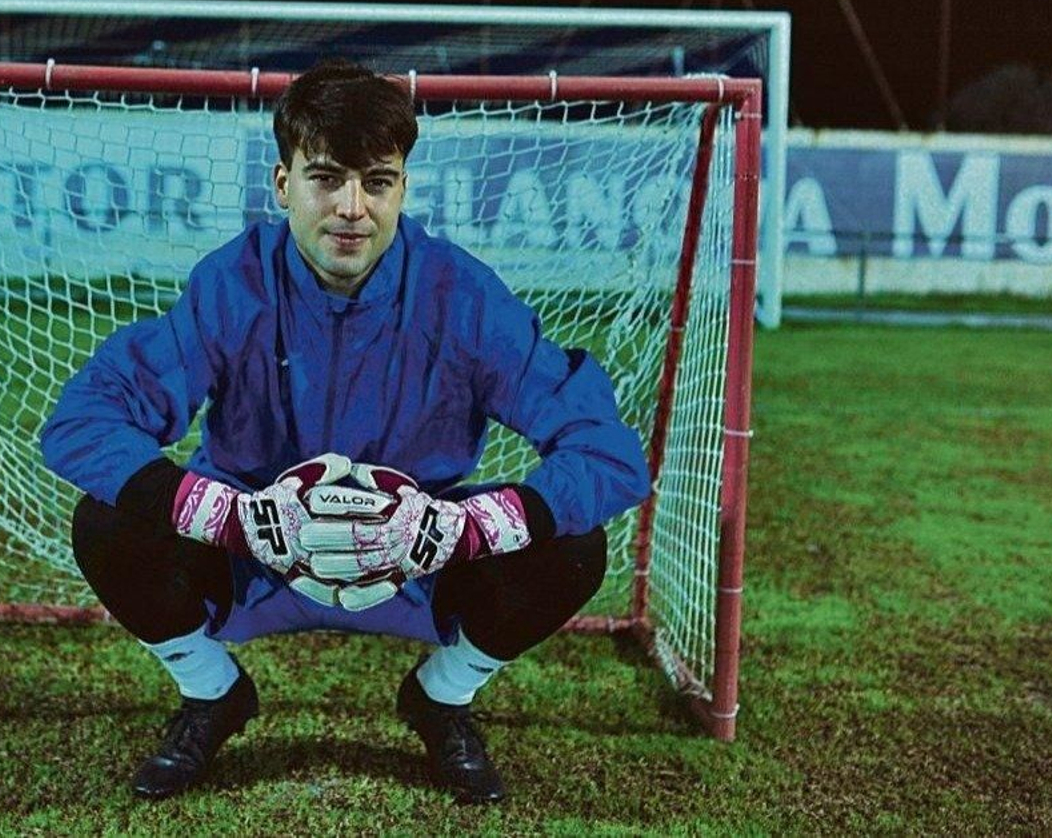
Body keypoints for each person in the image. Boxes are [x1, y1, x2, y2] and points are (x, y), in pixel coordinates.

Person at [40, 59, 650, 804]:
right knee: (107, 521)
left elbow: (609, 452)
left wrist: (464, 528)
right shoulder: (233, 284)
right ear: (282, 185)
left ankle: (442, 697)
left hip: (415, 565)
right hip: (254, 557)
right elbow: (83, 419)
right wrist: (228, 514)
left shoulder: (461, 295)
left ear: (403, 188)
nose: (351, 208)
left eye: (377, 181)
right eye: (326, 178)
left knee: (573, 543)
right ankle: (211, 692)